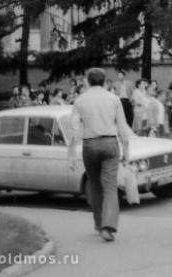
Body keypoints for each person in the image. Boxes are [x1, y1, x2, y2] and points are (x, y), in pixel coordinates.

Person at [67, 68, 130, 242]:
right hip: (110, 143)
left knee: (95, 186)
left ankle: (98, 223)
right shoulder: (114, 99)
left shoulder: (80, 100)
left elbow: (73, 130)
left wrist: (71, 155)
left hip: (90, 145)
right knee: (110, 187)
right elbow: (122, 127)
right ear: (104, 81)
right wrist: (126, 150)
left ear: (88, 80)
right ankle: (108, 226)